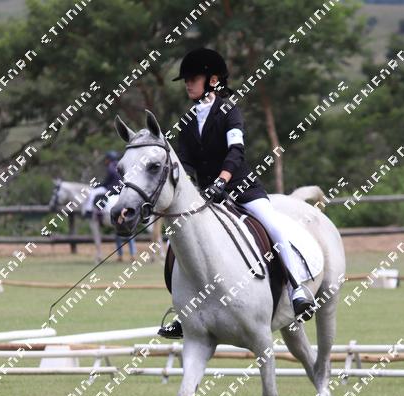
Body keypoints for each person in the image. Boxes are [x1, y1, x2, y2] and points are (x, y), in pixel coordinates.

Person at [158, 48, 315, 339]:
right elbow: (186, 160)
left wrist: (222, 180)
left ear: (212, 80)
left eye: (193, 78)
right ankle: (183, 311)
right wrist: (185, 182)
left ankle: (296, 290)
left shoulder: (230, 112)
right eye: (186, 80)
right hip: (206, 197)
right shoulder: (188, 121)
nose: (188, 84)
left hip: (242, 189)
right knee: (178, 244)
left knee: (274, 228)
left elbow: (236, 151)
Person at [94, 150, 137, 262]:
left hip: (112, 193)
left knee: (117, 229)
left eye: (106, 159)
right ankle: (133, 254)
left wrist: (98, 186)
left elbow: (107, 182)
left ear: (109, 159)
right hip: (123, 193)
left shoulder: (110, 168)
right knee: (127, 228)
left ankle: (98, 215)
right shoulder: (121, 166)